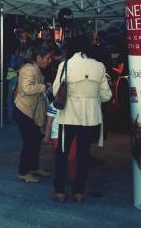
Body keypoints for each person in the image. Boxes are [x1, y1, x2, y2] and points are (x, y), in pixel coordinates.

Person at [51, 36, 112, 203]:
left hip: (68, 116)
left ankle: (60, 191)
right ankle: (79, 192)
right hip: (90, 118)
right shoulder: (99, 66)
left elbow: (56, 91)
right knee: (84, 155)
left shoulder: (65, 65)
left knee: (62, 154)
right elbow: (106, 95)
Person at [14, 44, 53, 183]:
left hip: (31, 111)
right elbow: (25, 89)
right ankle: (23, 172)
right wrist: (45, 87)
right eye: (47, 58)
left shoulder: (35, 68)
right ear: (38, 58)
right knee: (30, 141)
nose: (50, 60)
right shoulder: (28, 69)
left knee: (35, 140)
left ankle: (34, 167)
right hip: (23, 110)